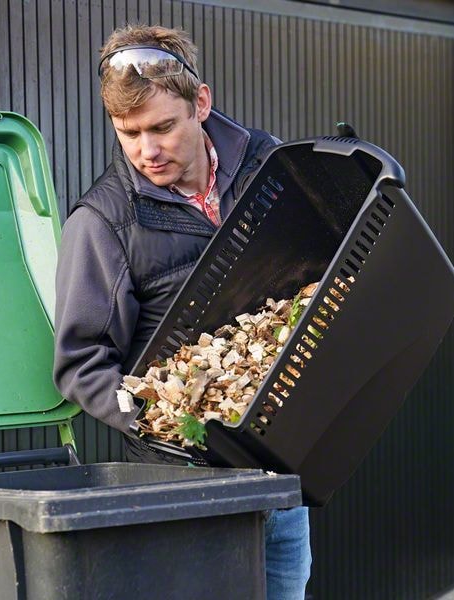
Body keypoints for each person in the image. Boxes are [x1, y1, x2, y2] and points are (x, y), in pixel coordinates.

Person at [53, 24, 311, 598]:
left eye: (163, 127)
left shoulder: (266, 163)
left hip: (279, 475)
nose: (147, 151)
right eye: (129, 132)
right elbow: (80, 365)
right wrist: (167, 417)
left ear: (201, 103)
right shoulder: (102, 224)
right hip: (181, 491)